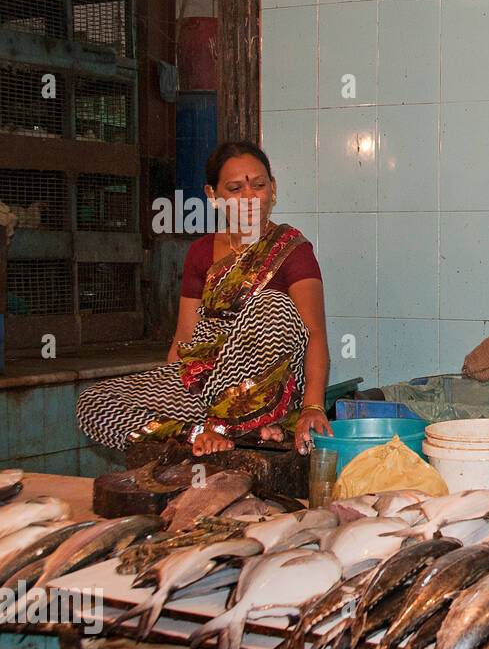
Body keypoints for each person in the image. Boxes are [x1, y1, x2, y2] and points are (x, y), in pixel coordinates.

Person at [77, 141, 332, 457]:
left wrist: (313, 405)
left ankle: (248, 423)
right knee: (93, 402)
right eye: (236, 188)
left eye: (259, 185)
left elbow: (315, 333)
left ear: (273, 187)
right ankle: (203, 433)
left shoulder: (292, 250)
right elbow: (185, 337)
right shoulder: (200, 252)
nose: (250, 197)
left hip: (265, 390)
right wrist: (173, 383)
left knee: (273, 306)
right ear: (213, 196)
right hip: (205, 387)